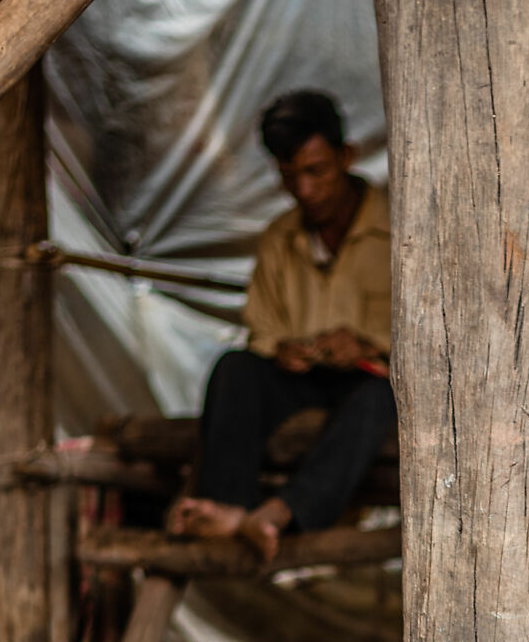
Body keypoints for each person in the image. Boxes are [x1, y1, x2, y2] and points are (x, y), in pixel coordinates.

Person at [167, 90, 394, 562]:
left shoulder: (399, 227)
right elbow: (263, 331)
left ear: (346, 156)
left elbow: (437, 337)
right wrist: (283, 350)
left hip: (376, 384)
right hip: (304, 385)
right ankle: (227, 507)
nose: (305, 190)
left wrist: (370, 345)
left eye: (316, 172)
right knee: (236, 368)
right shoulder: (279, 239)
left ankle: (279, 513)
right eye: (290, 177)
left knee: (380, 398)